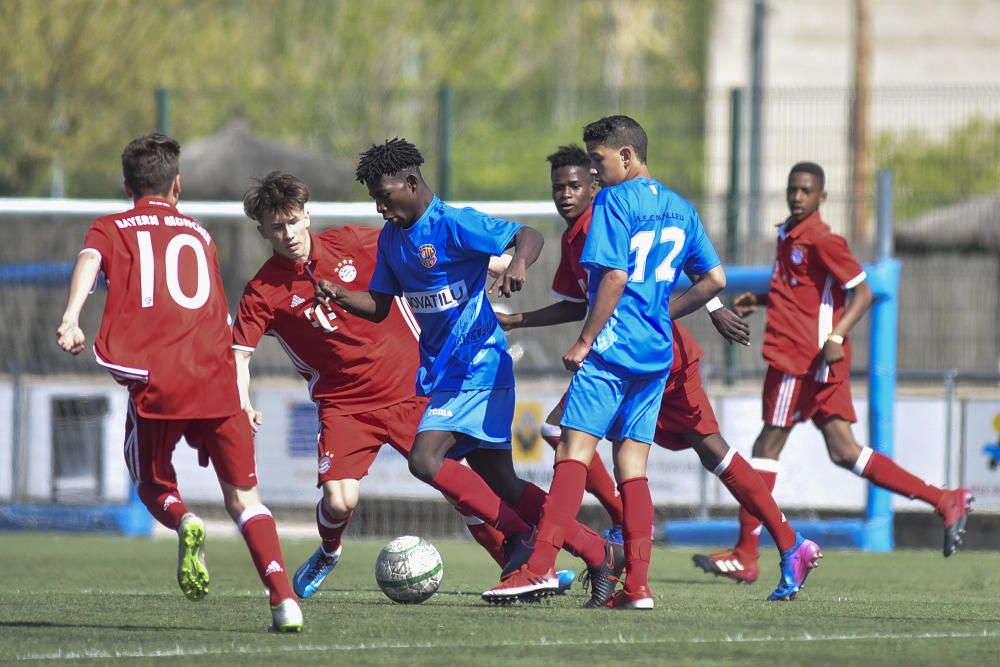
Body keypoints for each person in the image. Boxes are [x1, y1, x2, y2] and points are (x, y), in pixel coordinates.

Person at [496, 144, 821, 605]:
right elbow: (583, 303)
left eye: (576, 184)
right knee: (652, 452)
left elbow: (654, 271)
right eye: (558, 188)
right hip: (636, 352)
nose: (565, 195)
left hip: (654, 356)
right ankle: (635, 556)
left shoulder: (609, 217)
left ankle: (785, 542)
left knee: (702, 451)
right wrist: (521, 321)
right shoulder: (578, 236)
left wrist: (710, 306)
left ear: (596, 182)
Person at [315, 138, 624, 607]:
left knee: (424, 459)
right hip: (448, 372)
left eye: (385, 195)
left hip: (479, 364)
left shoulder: (453, 223)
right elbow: (380, 305)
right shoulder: (392, 240)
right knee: (503, 484)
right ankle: (598, 551)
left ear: (412, 183)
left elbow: (528, 236)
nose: (380, 207)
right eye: (374, 200)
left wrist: (518, 262)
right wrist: (339, 293)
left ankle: (522, 539)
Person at [234, 171, 568, 599]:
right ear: (262, 231)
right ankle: (329, 551)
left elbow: (428, 257)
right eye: (276, 227)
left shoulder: (355, 242)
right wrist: (242, 401)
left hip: (409, 385)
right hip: (344, 406)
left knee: (461, 488)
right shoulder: (261, 290)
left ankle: (521, 564)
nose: (288, 233)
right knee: (339, 502)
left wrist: (503, 263)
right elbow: (239, 353)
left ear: (306, 215)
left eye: (294, 220)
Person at [55, 134, 302, 633]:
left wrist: (71, 317)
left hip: (159, 381)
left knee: (151, 482)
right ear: (177, 185)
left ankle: (185, 520)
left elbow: (90, 260)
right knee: (245, 501)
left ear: (127, 185)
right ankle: (285, 601)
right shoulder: (200, 234)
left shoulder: (111, 227)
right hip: (217, 379)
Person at [693, 162, 973, 581]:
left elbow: (861, 291)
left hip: (800, 359)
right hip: (809, 360)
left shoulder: (822, 238)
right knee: (843, 450)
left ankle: (746, 553)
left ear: (822, 197)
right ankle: (943, 499)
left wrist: (837, 337)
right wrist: (763, 299)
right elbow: (802, 292)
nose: (798, 196)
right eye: (793, 189)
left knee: (765, 448)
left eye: (807, 191)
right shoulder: (789, 232)